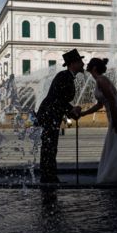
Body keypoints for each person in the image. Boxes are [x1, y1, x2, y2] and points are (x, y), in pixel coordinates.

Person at [37, 49, 83, 183]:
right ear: (73, 64)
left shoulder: (67, 76)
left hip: (52, 114)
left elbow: (61, 100)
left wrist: (71, 111)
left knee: (50, 146)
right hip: (49, 115)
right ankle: (48, 177)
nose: (83, 64)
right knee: (49, 146)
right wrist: (71, 109)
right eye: (80, 61)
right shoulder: (64, 76)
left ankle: (49, 176)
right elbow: (57, 98)